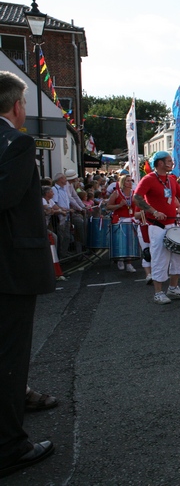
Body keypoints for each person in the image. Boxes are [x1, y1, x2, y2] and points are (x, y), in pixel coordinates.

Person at [0, 71, 56, 477]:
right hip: (9, 268)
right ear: (17, 106)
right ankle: (9, 446)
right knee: (9, 355)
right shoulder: (16, 143)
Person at [134, 151, 180, 304]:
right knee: (160, 258)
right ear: (160, 163)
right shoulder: (148, 179)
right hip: (156, 226)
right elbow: (136, 198)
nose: (172, 163)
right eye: (169, 161)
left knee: (179, 256)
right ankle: (158, 293)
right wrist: (153, 211)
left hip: (172, 225)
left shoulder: (171, 180)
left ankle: (173, 288)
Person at [105, 174, 138, 273]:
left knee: (130, 242)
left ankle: (129, 263)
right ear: (123, 183)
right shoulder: (117, 193)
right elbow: (108, 206)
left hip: (131, 219)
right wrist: (119, 205)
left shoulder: (134, 193)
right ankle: (120, 259)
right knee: (121, 242)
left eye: (131, 180)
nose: (130, 182)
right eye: (128, 181)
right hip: (120, 220)